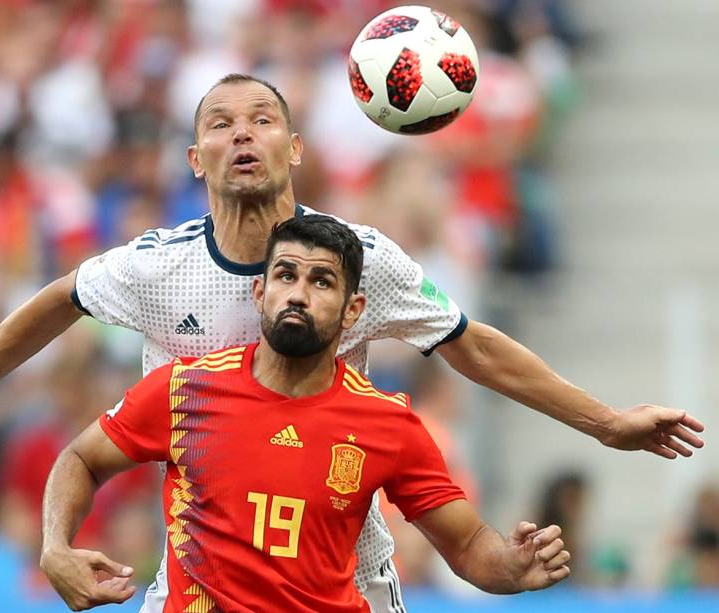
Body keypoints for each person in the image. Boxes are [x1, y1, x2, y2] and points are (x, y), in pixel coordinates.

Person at [0, 74, 704, 611]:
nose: (242, 134)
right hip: (202, 572)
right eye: (220, 123)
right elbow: (59, 300)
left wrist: (603, 422)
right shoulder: (157, 268)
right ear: (194, 157)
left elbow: (476, 348)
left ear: (296, 149)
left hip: (342, 562)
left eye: (263, 120)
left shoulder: (363, 260)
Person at [40, 215, 572, 611]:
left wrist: (511, 566)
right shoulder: (186, 390)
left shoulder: (387, 423)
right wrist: (56, 546)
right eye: (286, 275)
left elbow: (469, 544)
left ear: (353, 310)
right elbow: (82, 458)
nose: (299, 293)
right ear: (259, 291)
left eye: (321, 282)